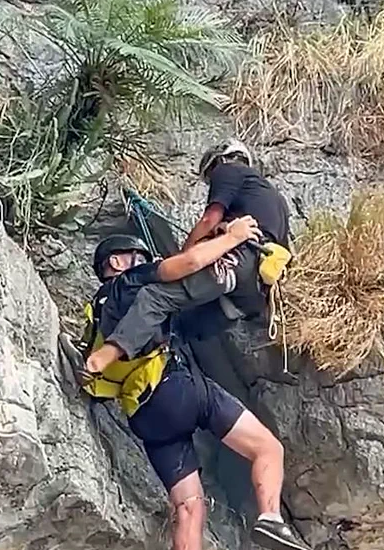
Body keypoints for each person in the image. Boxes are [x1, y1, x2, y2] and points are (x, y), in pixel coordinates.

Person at [81, 230, 314, 550]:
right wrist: (235, 238)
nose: (143, 260)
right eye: (136, 255)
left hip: (144, 416)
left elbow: (184, 316)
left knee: (189, 504)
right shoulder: (130, 282)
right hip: (177, 387)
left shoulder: (99, 310)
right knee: (267, 449)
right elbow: (184, 266)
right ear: (115, 262)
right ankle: (269, 517)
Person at [85, 139, 291, 377]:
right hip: (253, 290)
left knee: (155, 298)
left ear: (219, 160)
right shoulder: (276, 201)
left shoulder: (228, 170)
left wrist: (185, 253)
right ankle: (161, 361)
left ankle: (101, 359)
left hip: (235, 261)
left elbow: (209, 220)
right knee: (184, 323)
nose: (212, 181)